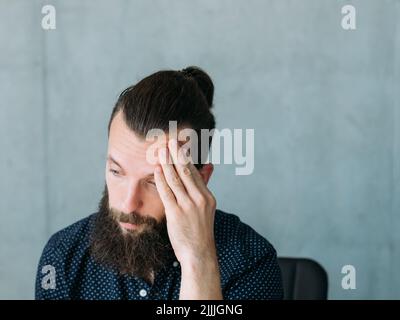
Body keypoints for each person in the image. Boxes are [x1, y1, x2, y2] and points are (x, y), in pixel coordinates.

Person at [35, 66, 283, 300]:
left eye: (154, 182)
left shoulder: (250, 261)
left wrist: (198, 261)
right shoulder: (62, 258)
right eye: (116, 171)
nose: (128, 204)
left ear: (200, 180)